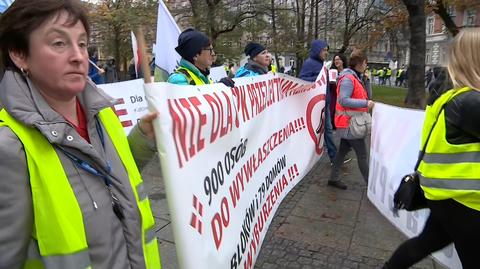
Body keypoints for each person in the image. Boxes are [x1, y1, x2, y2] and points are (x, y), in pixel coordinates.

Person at [0, 1, 161, 268]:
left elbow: (105, 178)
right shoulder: (9, 147)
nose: (78, 56)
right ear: (19, 54)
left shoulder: (103, 113)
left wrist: (143, 138)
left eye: (83, 44)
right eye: (59, 43)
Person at [383, 29, 480, 269]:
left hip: (443, 195)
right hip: (466, 200)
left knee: (425, 243)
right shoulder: (470, 102)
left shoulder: (445, 94)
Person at [328, 49, 374, 190]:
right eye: (366, 63)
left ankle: (333, 178)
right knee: (363, 156)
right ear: (361, 62)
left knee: (342, 152)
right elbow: (343, 100)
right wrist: (365, 104)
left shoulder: (356, 77)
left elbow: (368, 96)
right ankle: (371, 186)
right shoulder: (348, 79)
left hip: (350, 123)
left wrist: (367, 81)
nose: (366, 66)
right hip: (350, 124)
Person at [299, 40, 339, 164]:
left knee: (327, 130)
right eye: (324, 50)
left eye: (327, 50)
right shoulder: (309, 63)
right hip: (315, 104)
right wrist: (321, 78)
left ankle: (332, 156)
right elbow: (302, 79)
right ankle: (332, 157)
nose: (326, 53)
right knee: (323, 130)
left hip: (324, 103)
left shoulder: (323, 64)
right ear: (317, 50)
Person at [168, 28, 234, 87]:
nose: (213, 54)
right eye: (209, 50)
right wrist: (217, 89)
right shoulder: (178, 80)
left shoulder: (204, 77)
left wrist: (219, 86)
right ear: (195, 55)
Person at [329, 53, 348, 129]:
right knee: (333, 110)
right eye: (335, 59)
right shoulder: (332, 71)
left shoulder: (347, 72)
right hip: (333, 94)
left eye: (338, 59)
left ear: (342, 61)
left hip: (343, 95)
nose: (336, 61)